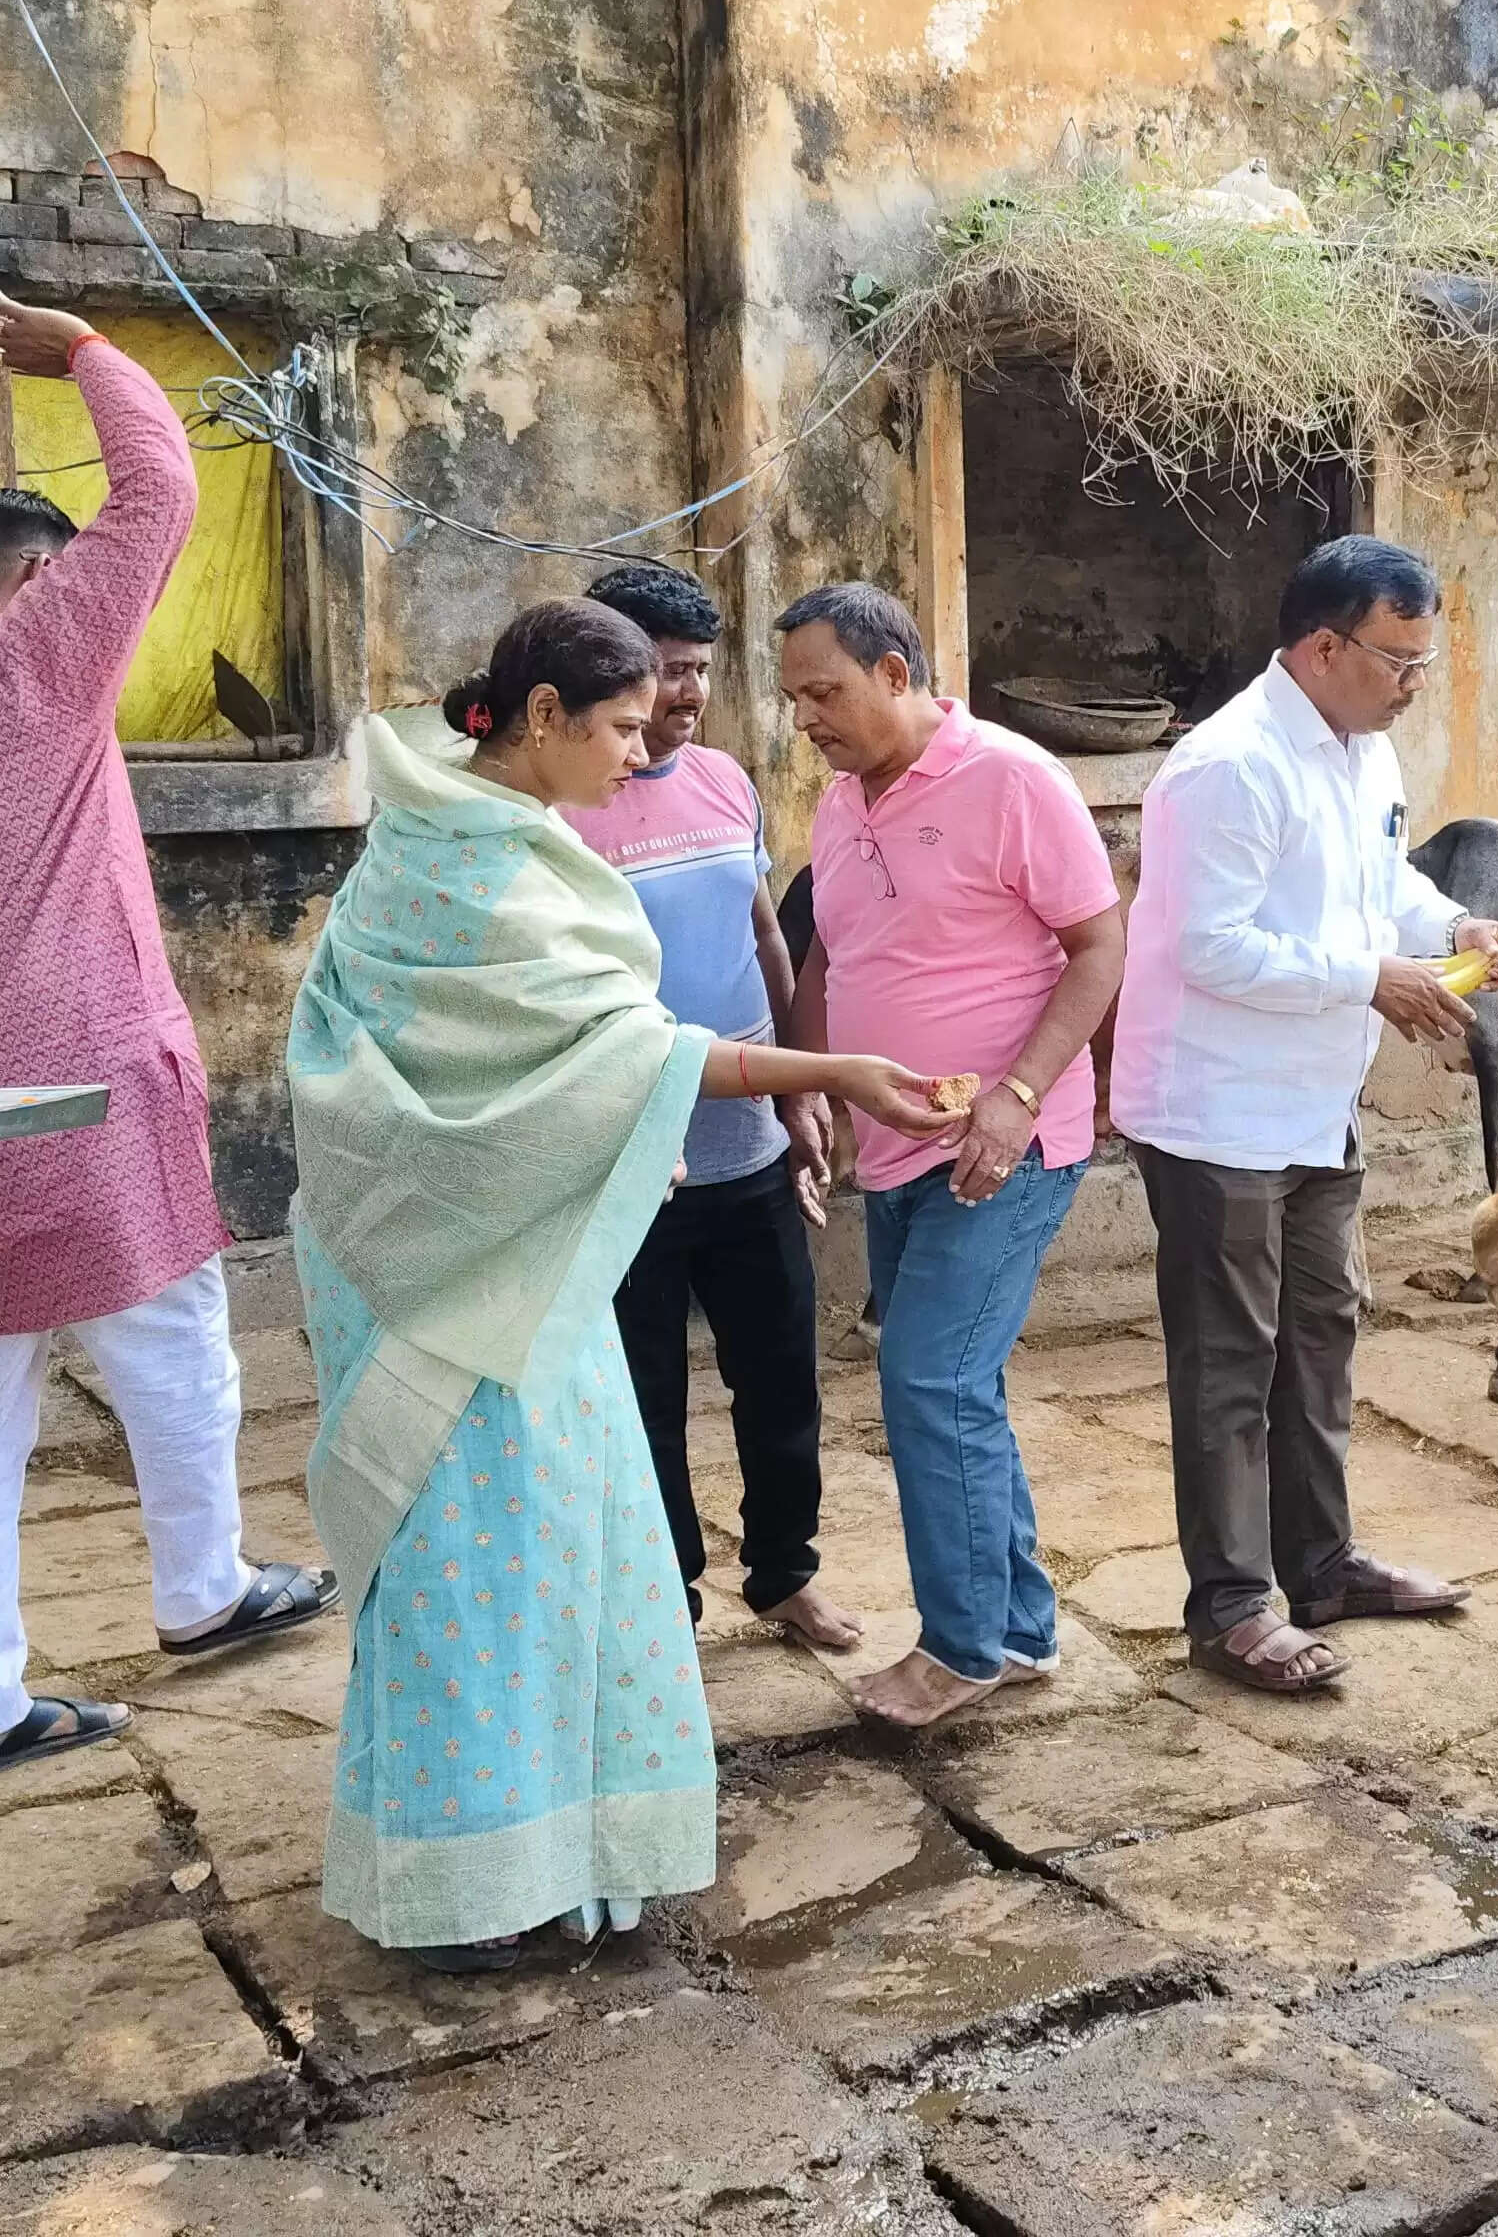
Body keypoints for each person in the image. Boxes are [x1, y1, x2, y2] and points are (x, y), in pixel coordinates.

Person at [287, 598, 951, 1971]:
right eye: (622, 729)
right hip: (456, 1273)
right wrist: (833, 1070)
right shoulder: (470, 871)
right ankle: (466, 1895)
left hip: (518, 1259)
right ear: (543, 717)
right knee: (469, 1574)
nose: (639, 757)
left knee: (557, 1559)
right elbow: (628, 1058)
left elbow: (594, 1052)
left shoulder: (451, 839)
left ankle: (563, 1857)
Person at [0, 293, 333, 1792]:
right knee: (174, 1341)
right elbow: (161, 490)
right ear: (37, 580)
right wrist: (87, 351)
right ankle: (203, 1587)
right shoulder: (32, 660)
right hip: (85, 1092)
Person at [1113, 536, 1498, 1692]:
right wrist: (1370, 980)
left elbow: (1383, 886)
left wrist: (1450, 929)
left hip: (1316, 1102)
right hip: (1218, 1112)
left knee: (1320, 1342)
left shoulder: (1363, 752)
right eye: (1399, 660)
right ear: (1323, 647)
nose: (1414, 683)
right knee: (1229, 1363)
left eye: (1424, 661)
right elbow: (1210, 946)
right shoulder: (1226, 767)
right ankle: (1232, 1608)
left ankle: (1322, 1565)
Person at [781, 582, 1126, 1729]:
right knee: (955, 1385)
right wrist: (816, 1084)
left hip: (1004, 1145)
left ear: (895, 673)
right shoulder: (841, 802)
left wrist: (1017, 1099)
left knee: (929, 1380)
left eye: (823, 692)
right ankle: (1017, 1630)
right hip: (894, 1147)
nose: (805, 719)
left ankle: (960, 1647)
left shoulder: (1014, 779)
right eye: (793, 699)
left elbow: (1098, 945)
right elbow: (833, 957)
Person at [559, 564, 857, 1651]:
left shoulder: (728, 781)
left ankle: (784, 1573)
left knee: (781, 1378)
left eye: (698, 670)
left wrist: (800, 1085)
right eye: (663, 672)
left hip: (746, 1148)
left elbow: (764, 935)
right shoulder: (564, 808)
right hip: (629, 1161)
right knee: (645, 1399)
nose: (686, 694)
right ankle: (668, 1602)